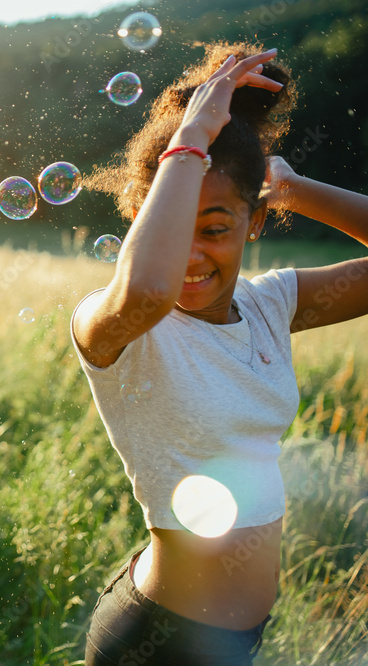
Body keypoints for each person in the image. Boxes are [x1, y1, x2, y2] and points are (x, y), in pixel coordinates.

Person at [70, 42, 368, 664]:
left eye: (215, 229)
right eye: (175, 227)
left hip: (236, 642)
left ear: (252, 223)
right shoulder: (119, 324)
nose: (190, 255)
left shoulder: (271, 305)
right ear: (143, 218)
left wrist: (292, 186)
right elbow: (150, 289)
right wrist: (190, 137)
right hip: (158, 643)